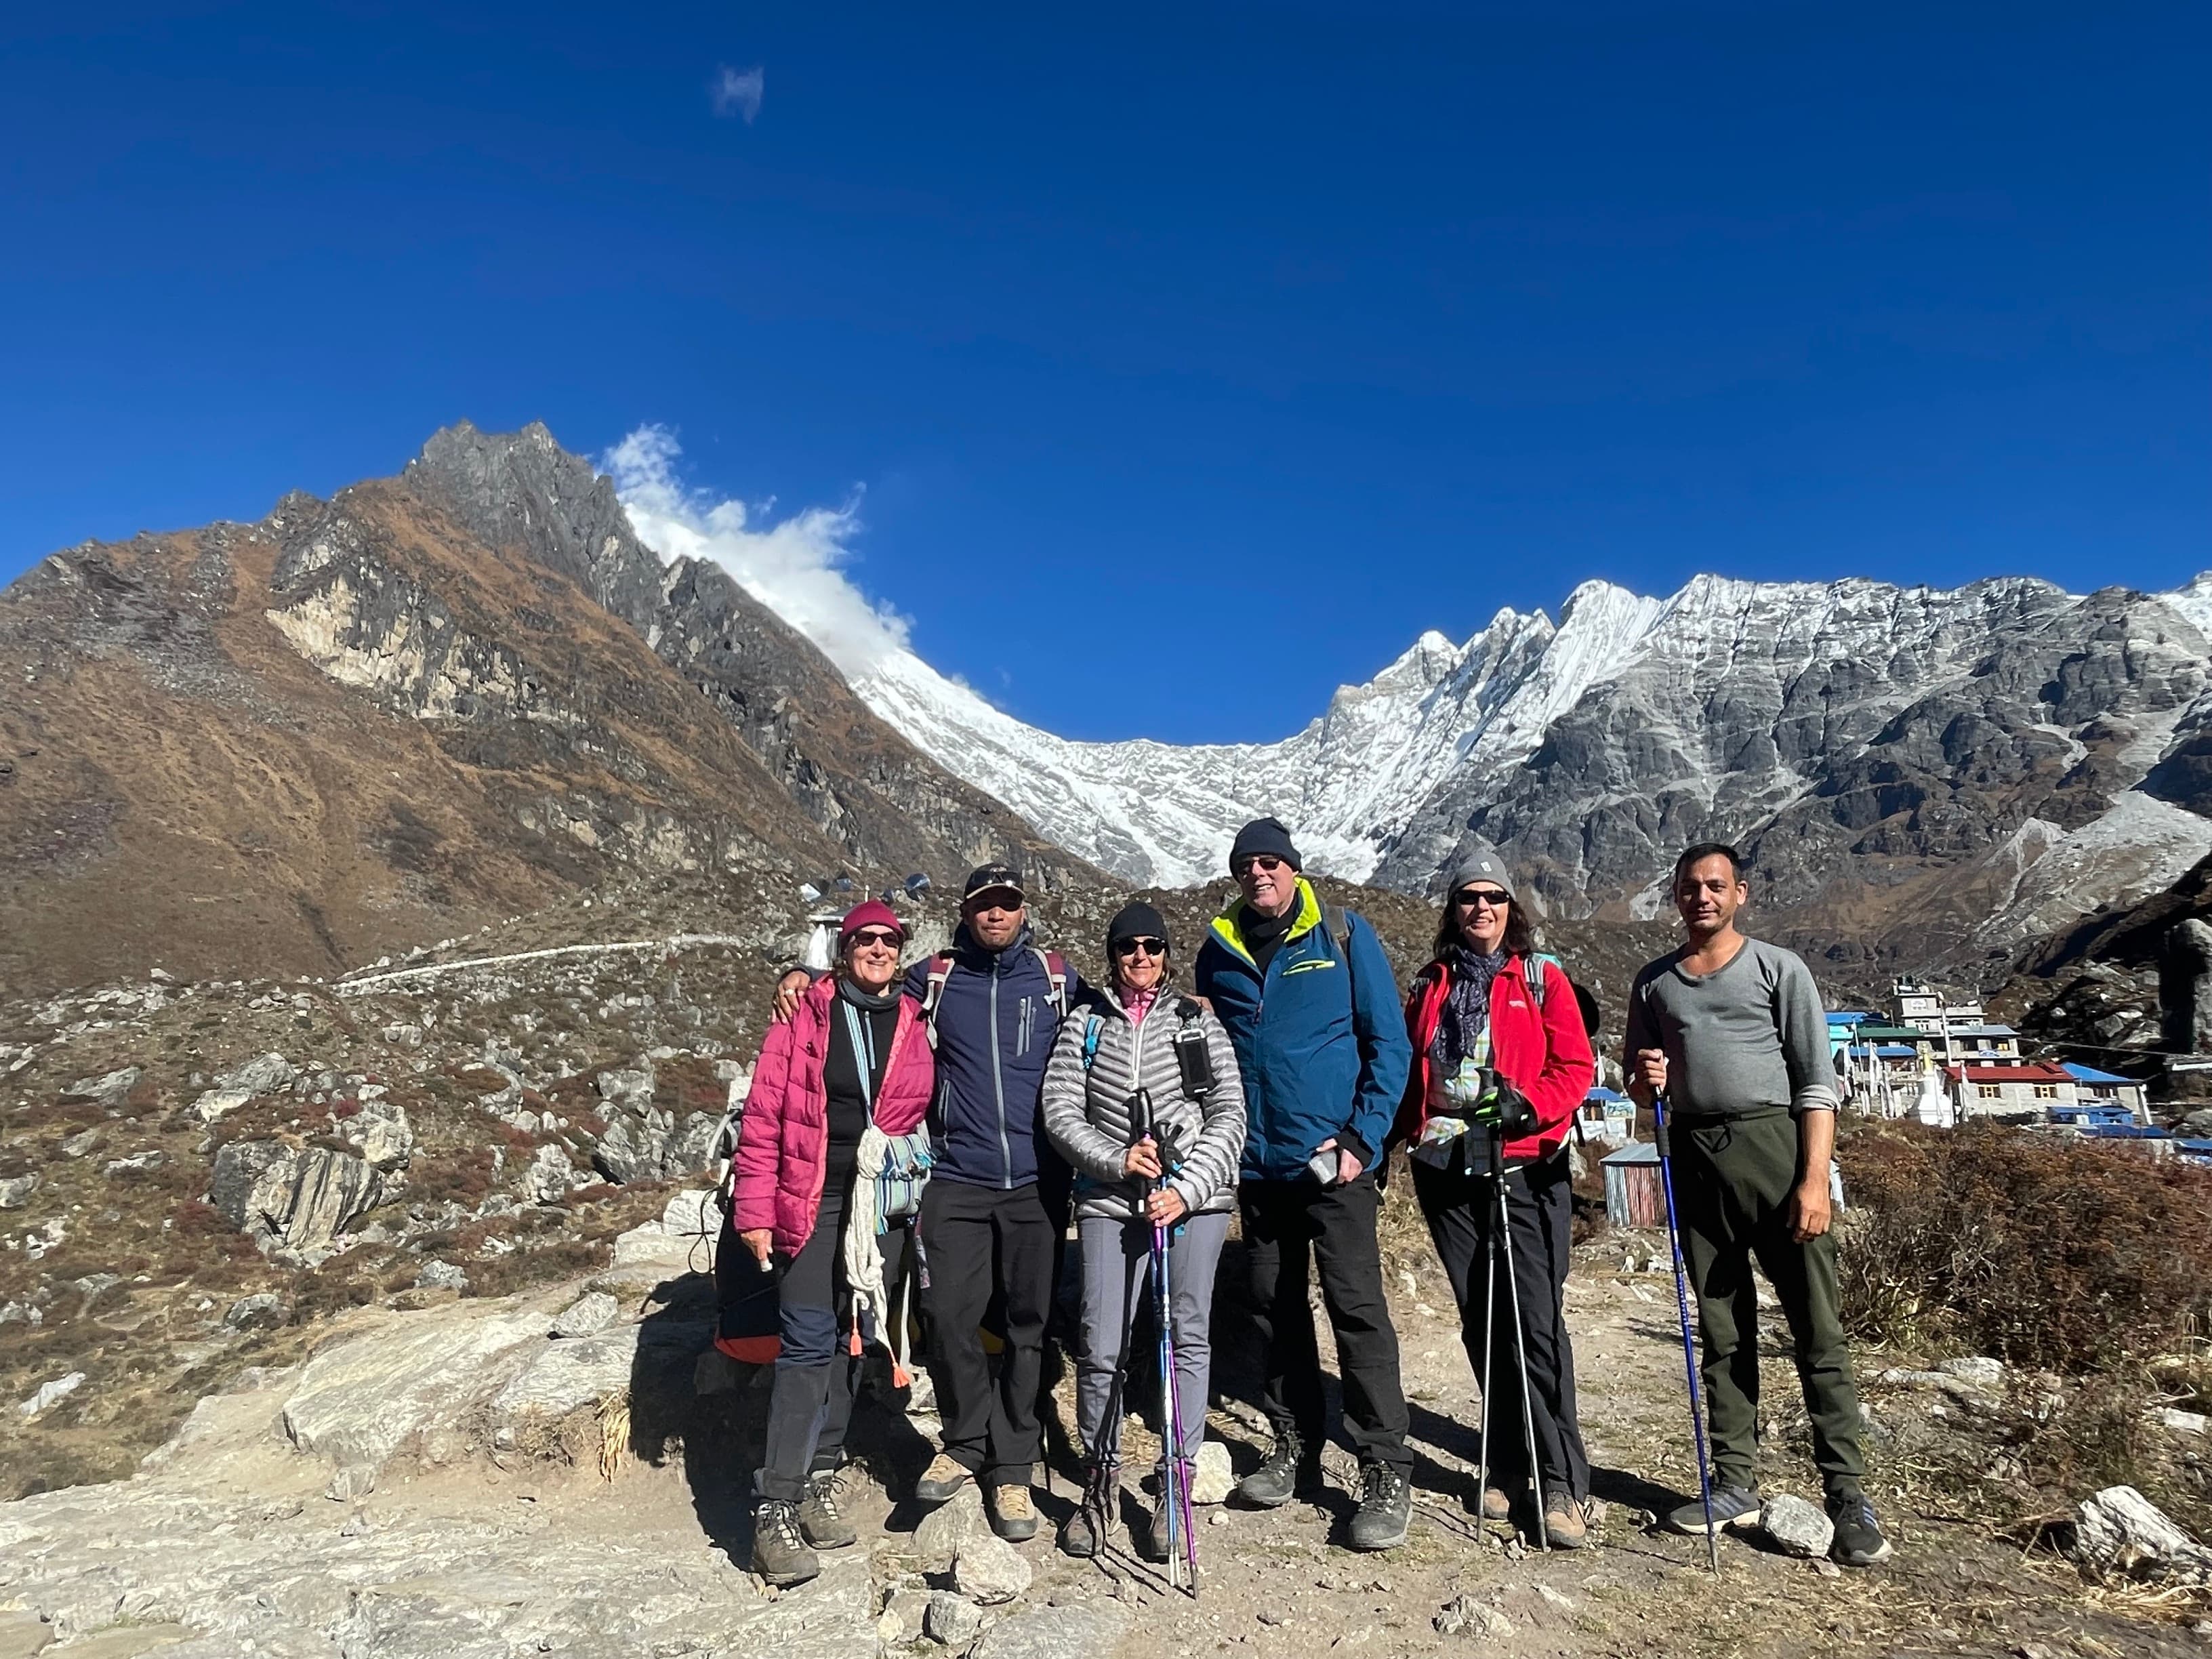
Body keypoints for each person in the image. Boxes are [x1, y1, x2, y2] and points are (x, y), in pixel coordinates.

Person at [1624, 842, 1891, 1569]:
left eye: (1715, 886)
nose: (1700, 897)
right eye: (1688, 887)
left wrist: (1813, 1180)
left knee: (1816, 1327)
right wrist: (1646, 1079)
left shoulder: (1779, 969)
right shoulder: (1654, 984)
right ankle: (1733, 1481)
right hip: (1696, 1159)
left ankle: (1848, 1495)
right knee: (1722, 1327)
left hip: (1776, 1152)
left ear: (1741, 892)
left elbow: (1815, 1081)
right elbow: (1639, 1085)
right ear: (1674, 896)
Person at [1194, 817, 1416, 1551]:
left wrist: (1362, 1138)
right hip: (1258, 1168)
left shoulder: (1345, 936)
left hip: (1336, 1165)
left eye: (1270, 862)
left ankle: (1385, 1465)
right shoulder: (1217, 951)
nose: (1259, 874)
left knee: (1356, 1307)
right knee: (1272, 1306)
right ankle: (1293, 1446)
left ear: (1292, 868)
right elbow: (1209, 1052)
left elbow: (1389, 1043)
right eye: (1246, 865)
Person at [1392, 843, 1595, 1548]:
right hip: (1445, 1170)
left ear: (1513, 909)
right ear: (1453, 909)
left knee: (1535, 1322)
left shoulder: (1540, 979)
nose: (1482, 908)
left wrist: (1529, 1108)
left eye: (1494, 897)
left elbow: (1575, 1066)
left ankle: (1564, 1482)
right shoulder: (1431, 984)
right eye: (1469, 898)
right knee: (1482, 1319)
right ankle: (1508, 1465)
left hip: (1523, 1167)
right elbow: (1412, 1071)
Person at [729, 900, 936, 1586]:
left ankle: (823, 1472)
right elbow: (763, 1121)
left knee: (859, 1337)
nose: (877, 949)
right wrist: (755, 1211)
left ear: (900, 950)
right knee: (809, 1341)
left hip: (880, 1207)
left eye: (889, 940)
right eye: (864, 940)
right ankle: (775, 1507)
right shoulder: (803, 1017)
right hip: (813, 1201)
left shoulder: (913, 1016)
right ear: (844, 950)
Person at [1041, 901, 1246, 1560]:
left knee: (1186, 1334)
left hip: (1195, 1203)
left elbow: (1229, 1114)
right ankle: (1099, 1486)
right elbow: (1060, 1109)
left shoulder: (1195, 1021)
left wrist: (1186, 1192)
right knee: (1101, 1344)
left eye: (1152, 945)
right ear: (1113, 953)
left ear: (1166, 952)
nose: (1140, 956)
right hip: (1108, 1202)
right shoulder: (1085, 1024)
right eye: (1128, 946)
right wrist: (1115, 1160)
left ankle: (1176, 1487)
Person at [904, 863, 1088, 1542]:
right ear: (967, 911)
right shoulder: (933, 979)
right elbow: (860, 1000)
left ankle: (1013, 1464)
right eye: (985, 904)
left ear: (1022, 909)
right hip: (956, 1175)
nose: (996, 915)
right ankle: (965, 1441)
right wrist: (803, 983)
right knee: (946, 1312)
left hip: (1039, 1179)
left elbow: (1123, 1020)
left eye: (1007, 904)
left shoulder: (1056, 979)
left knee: (1028, 1325)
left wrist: (1193, 1007)